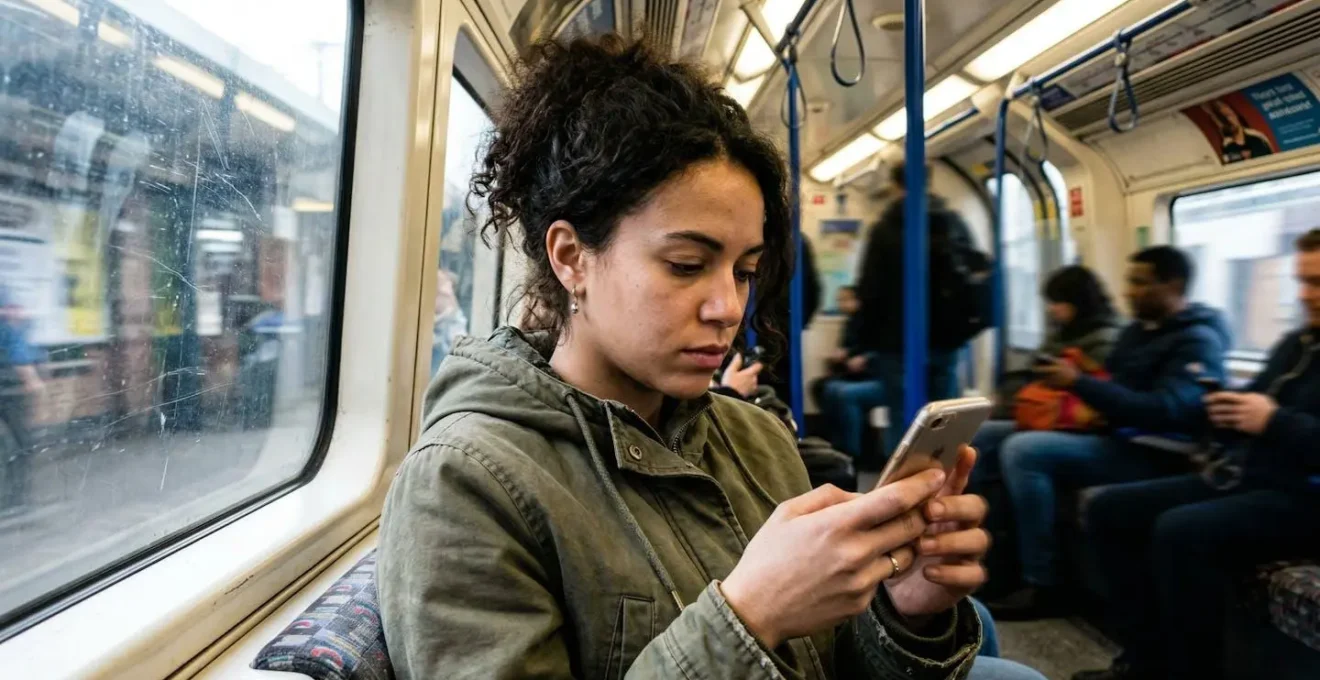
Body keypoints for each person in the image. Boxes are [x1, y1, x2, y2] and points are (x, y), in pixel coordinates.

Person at [377, 36, 1005, 679]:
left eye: (744, 270)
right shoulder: (466, 484)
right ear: (571, 258)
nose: (728, 307)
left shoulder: (756, 437)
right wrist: (751, 618)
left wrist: (908, 615)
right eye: (686, 265)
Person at [1072, 230, 1320, 680]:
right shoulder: (1297, 345)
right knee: (1110, 509)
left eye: (1317, 284)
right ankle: (1145, 660)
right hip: (1248, 476)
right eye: (1302, 282)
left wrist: (1273, 421)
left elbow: (1280, 422)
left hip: (1305, 497)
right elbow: (1260, 399)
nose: (1306, 297)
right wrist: (1227, 408)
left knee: (1181, 531)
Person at [985, 246, 1231, 619]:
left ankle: (1043, 582)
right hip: (1113, 435)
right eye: (1130, 281)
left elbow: (1168, 411)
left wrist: (1080, 384)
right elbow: (1114, 387)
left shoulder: (1197, 342)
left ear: (1173, 285)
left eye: (1140, 283)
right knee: (986, 436)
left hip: (1156, 453)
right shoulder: (1136, 333)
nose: (1129, 291)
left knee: (1025, 450)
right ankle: (998, 563)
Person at [854, 163, 991, 453]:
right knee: (945, 419)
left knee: (902, 423)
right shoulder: (955, 223)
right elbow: (975, 272)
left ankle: (899, 490)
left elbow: (870, 290)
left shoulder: (885, 229)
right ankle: (942, 482)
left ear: (895, 186)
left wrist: (862, 343)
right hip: (948, 338)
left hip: (895, 342)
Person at [971, 265, 1123, 485]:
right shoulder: (1062, 332)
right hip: (1048, 413)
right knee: (977, 434)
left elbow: (1098, 392)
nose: (1051, 309)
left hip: (1080, 423)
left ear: (1077, 302)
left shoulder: (1107, 340)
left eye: (1057, 302)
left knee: (1020, 448)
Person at [815, 285, 886, 461]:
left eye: (847, 299)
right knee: (824, 388)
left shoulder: (875, 324)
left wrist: (865, 359)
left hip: (880, 377)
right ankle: (836, 444)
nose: (842, 304)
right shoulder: (851, 324)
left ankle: (852, 452)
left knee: (844, 394)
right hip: (856, 375)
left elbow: (884, 353)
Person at [0, 288, 42, 513]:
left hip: (9, 391)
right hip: (10, 392)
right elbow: (20, 358)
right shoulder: (8, 327)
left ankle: (16, 497)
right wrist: (34, 382)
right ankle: (17, 499)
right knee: (21, 444)